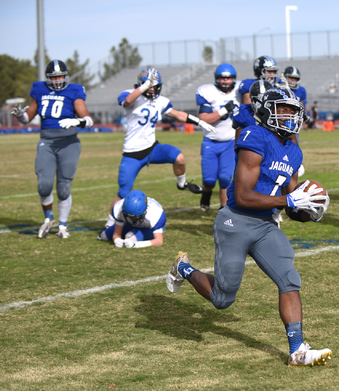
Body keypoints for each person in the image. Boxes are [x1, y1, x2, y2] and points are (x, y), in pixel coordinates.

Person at [166, 87, 333, 366]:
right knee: (222, 298)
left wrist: (308, 210)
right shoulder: (255, 136)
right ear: (268, 111)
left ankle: (297, 351)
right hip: (235, 221)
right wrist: (289, 198)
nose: (291, 115)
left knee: (289, 280)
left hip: (266, 225)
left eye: (293, 110)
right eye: (284, 109)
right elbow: (243, 196)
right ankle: (183, 268)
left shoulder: (293, 150)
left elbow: (289, 203)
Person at [107, 67, 213, 224]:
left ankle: (182, 183)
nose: (152, 90)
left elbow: (177, 114)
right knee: (123, 192)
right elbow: (128, 101)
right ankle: (110, 223)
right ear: (141, 85)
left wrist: (198, 121)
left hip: (152, 148)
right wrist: (144, 86)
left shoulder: (160, 101)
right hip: (132, 153)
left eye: (155, 86)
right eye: (149, 86)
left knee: (178, 157)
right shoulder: (130, 95)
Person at [11, 59, 93, 239]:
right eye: (54, 77)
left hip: (68, 143)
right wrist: (20, 116)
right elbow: (28, 117)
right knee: (44, 185)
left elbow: (88, 119)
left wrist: (77, 121)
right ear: (48, 78)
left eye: (61, 76)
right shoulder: (39, 89)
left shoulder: (74, 90)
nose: (57, 80)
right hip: (47, 141)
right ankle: (48, 218)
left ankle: (63, 226)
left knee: (63, 188)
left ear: (66, 76)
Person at [196, 63, 241, 212]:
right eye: (222, 78)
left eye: (228, 78)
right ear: (216, 79)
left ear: (234, 79)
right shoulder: (207, 92)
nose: (225, 81)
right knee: (209, 180)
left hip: (230, 141)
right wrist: (223, 111)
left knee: (225, 179)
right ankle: (206, 194)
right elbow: (204, 119)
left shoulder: (240, 91)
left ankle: (223, 211)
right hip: (211, 141)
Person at [98, 190, 165, 249]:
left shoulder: (155, 213)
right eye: (130, 217)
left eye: (135, 217)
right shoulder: (118, 209)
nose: (133, 219)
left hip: (148, 227)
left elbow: (159, 241)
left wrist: (137, 245)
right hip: (129, 224)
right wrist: (116, 239)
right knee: (104, 236)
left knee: (130, 237)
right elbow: (117, 234)